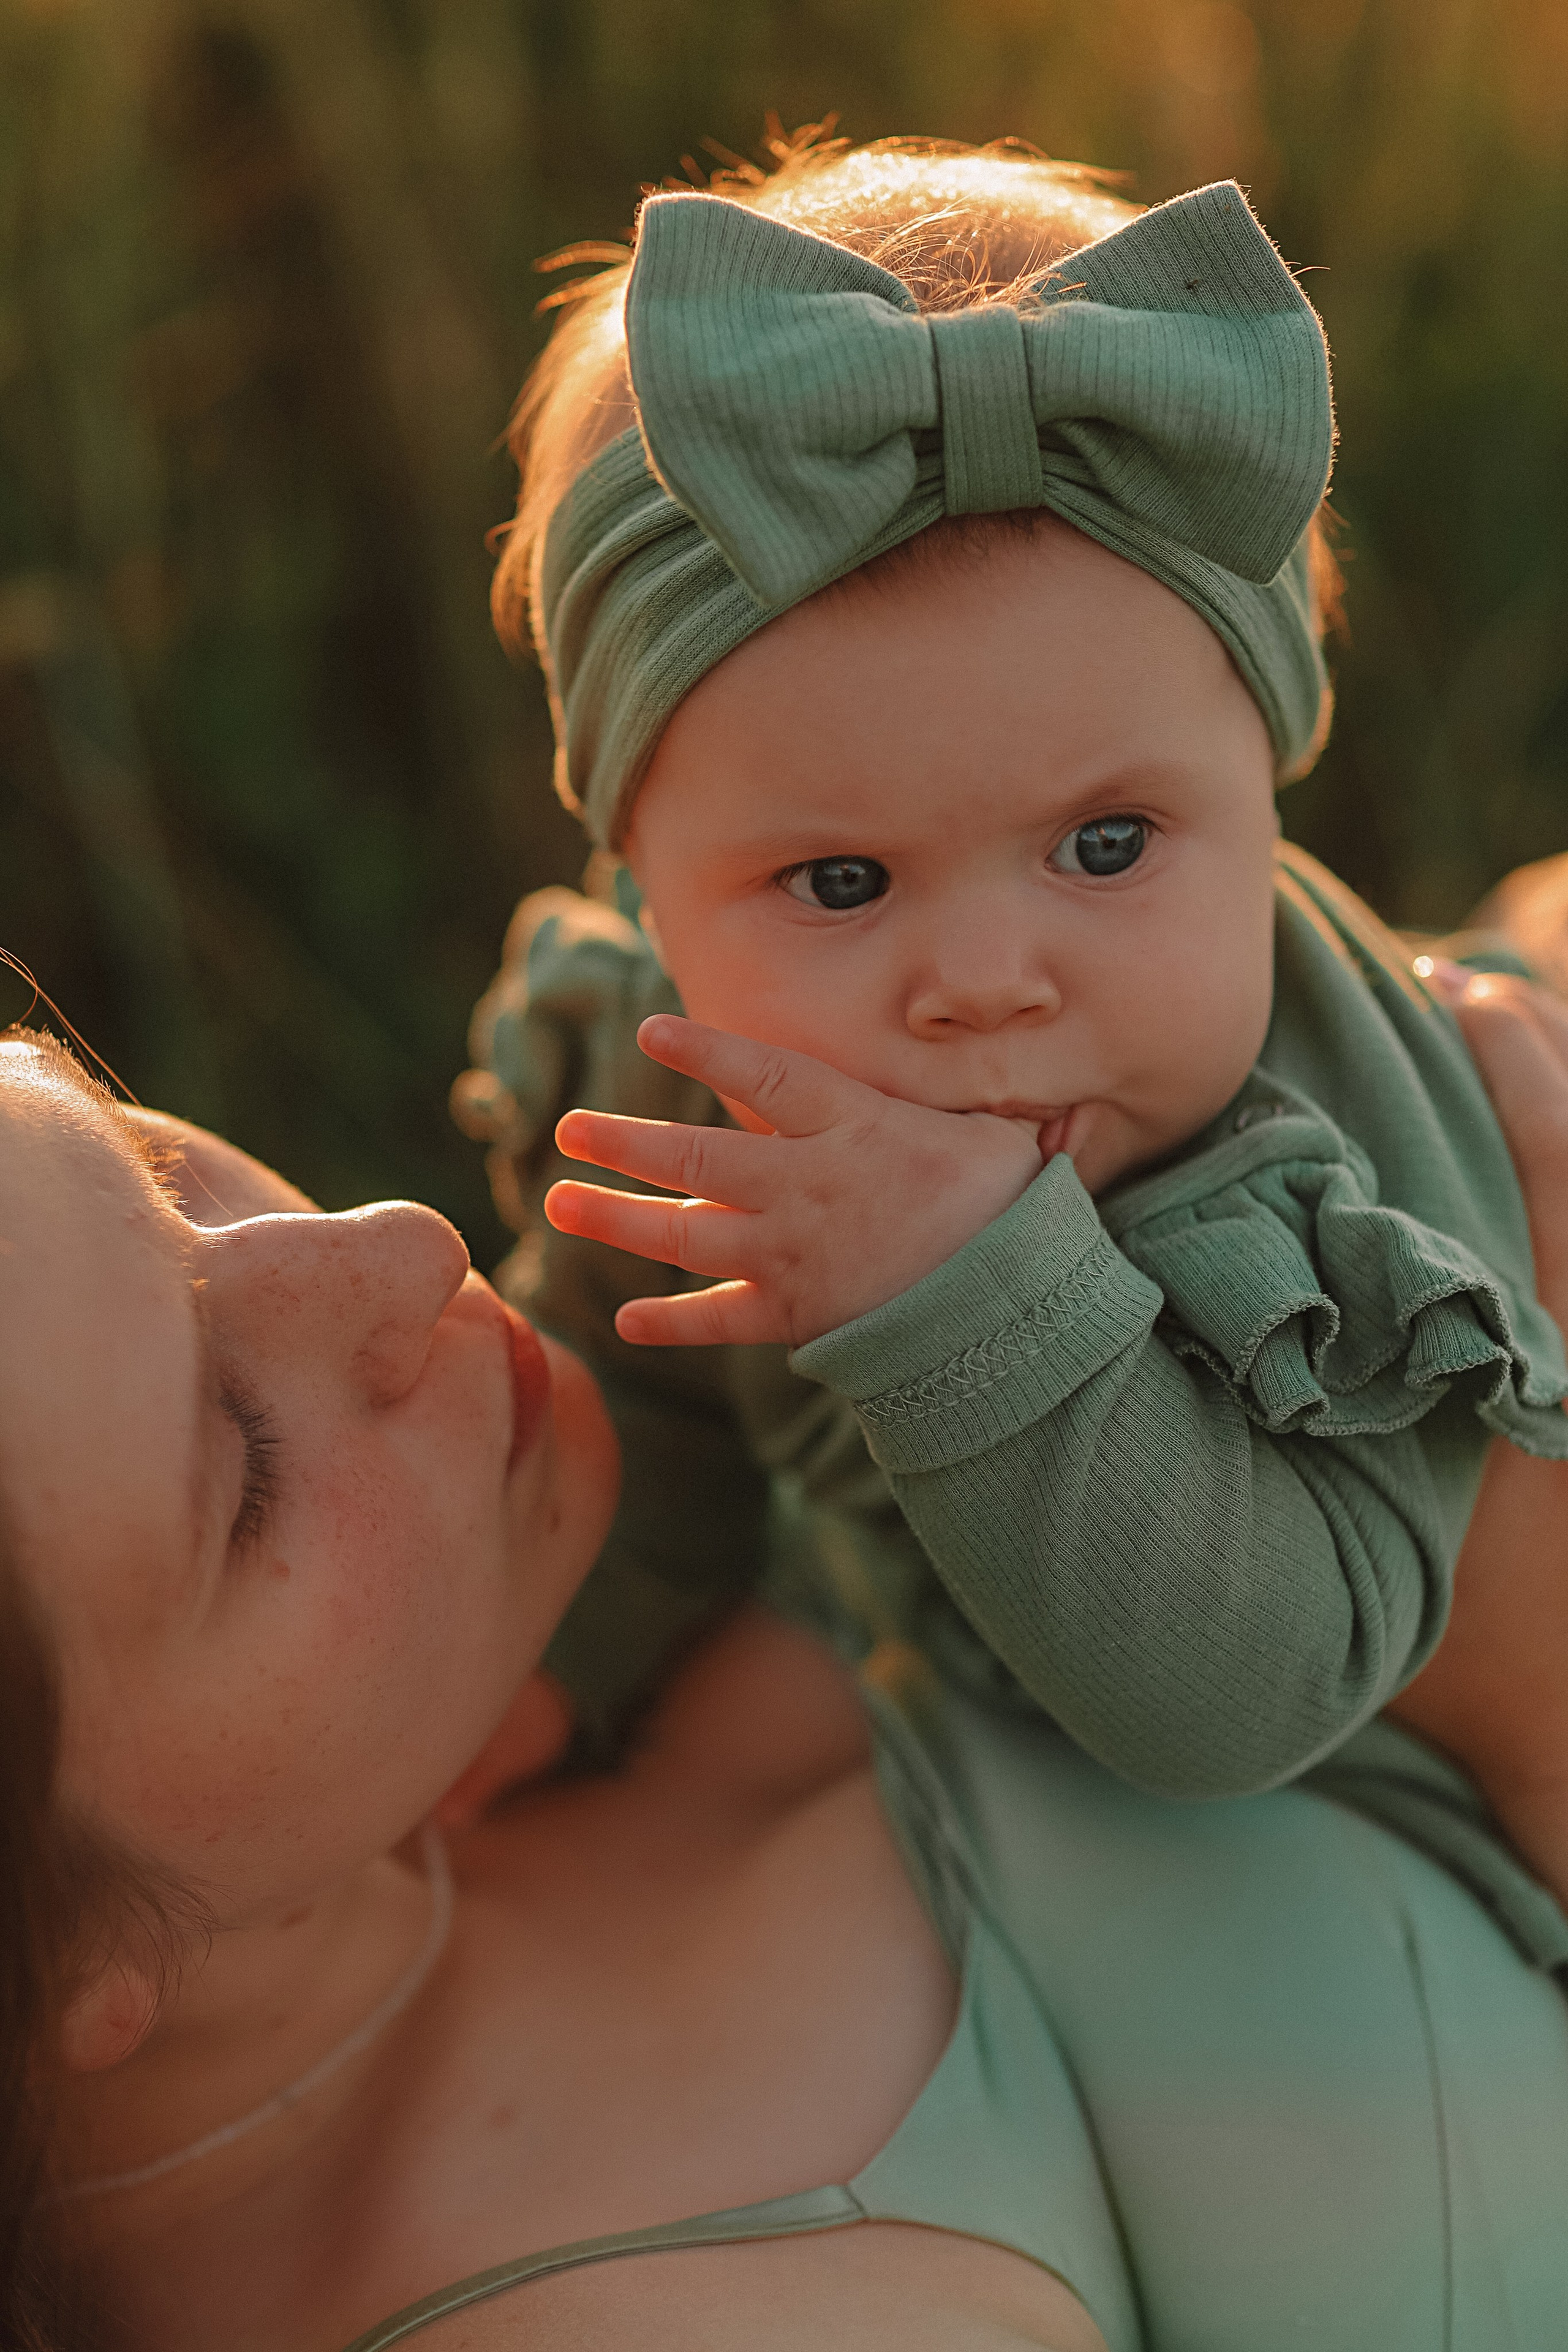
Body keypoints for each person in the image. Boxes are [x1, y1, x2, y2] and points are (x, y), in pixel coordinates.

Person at [4, 974, 1568, 2352]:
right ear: (57, 1961)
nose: (394, 1252)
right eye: (245, 1466)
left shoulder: (522, 1636)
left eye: (155, 1165)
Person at [466, 137, 1568, 1880]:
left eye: (1108, 844)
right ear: (640, 871)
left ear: (1274, 778)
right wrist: (528, 1704)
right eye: (840, 882)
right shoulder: (687, 1076)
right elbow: (649, 1437)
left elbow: (1263, 1688)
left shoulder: (1315, 1165)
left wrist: (970, 1296)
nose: (987, 984)